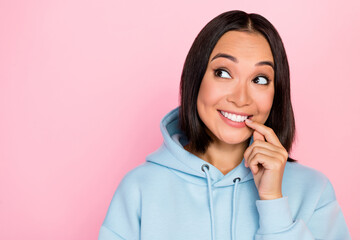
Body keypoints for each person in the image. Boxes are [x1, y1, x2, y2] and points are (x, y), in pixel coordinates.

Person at [98, 10, 351, 240]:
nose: (240, 98)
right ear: (196, 79)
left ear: (277, 92)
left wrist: (274, 203)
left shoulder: (314, 191)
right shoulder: (139, 189)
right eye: (223, 73)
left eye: (260, 79)